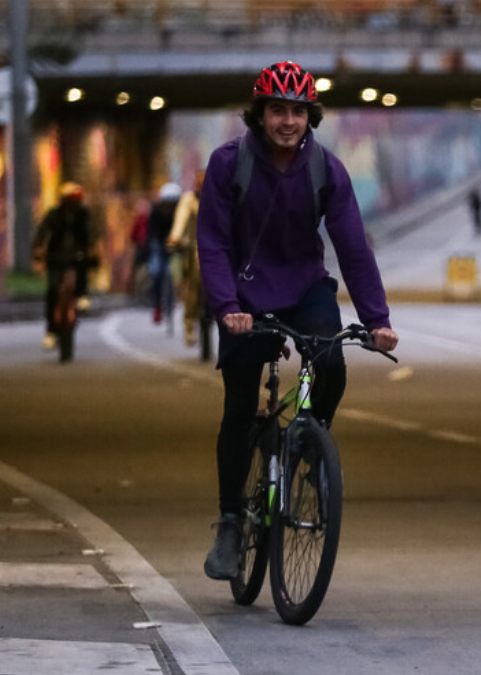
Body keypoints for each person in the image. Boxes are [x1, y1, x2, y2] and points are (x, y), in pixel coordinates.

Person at [197, 61, 399, 580]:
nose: (288, 121)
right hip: (244, 297)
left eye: (298, 111)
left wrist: (376, 319)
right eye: (277, 110)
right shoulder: (229, 164)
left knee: (331, 360)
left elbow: (353, 246)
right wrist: (227, 307)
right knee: (239, 407)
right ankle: (229, 521)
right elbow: (213, 242)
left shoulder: (326, 169)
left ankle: (312, 443)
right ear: (260, 114)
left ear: (312, 116)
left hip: (305, 287)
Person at [32, 182, 91, 350]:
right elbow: (42, 231)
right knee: (52, 291)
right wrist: (38, 250)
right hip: (55, 258)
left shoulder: (83, 214)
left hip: (76, 257)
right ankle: (51, 331)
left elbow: (90, 235)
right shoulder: (54, 214)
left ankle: (83, 295)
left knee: (81, 269)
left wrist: (92, 251)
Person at [167, 170, 207, 346]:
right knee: (195, 279)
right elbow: (180, 220)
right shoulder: (188, 200)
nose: (201, 187)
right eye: (199, 184)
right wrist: (175, 237)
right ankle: (189, 322)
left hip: (217, 247)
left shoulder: (217, 197)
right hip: (193, 246)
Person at [147, 183, 182, 327]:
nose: (170, 208)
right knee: (156, 272)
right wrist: (157, 244)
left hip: (175, 245)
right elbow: (152, 232)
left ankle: (176, 297)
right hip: (159, 244)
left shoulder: (180, 213)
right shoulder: (155, 212)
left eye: (173, 204)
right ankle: (157, 304)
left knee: (174, 271)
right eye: (167, 204)